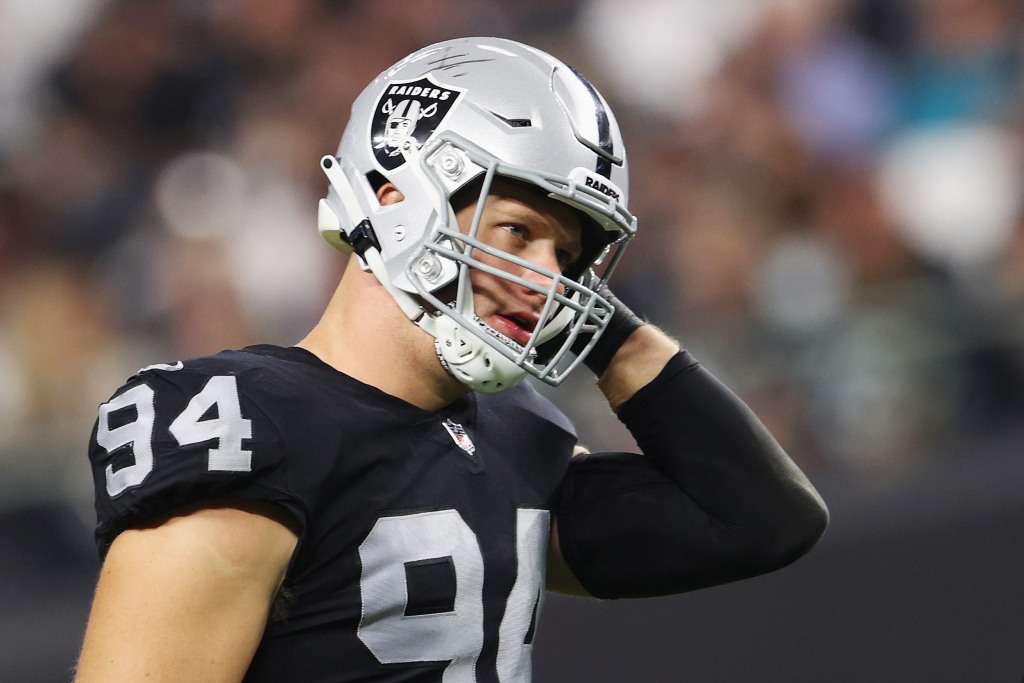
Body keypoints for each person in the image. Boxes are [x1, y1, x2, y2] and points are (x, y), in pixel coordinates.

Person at [75, 37, 828, 682]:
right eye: (517, 232)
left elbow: (759, 519)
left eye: (568, 257)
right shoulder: (247, 424)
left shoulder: (514, 438)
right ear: (398, 195)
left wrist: (608, 330)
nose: (549, 282)